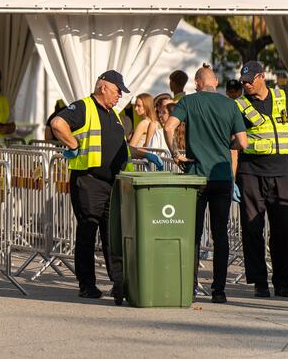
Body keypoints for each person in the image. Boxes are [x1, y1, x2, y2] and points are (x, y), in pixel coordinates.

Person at [50, 70, 161, 304]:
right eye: (117, 90)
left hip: (112, 183)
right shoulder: (84, 107)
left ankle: (119, 283)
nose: (120, 95)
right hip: (89, 181)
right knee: (88, 233)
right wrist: (72, 143)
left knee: (114, 235)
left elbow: (121, 147)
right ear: (103, 87)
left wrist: (145, 154)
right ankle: (87, 285)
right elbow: (57, 123)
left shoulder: (115, 115)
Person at [164, 66, 247, 303]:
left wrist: (175, 153)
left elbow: (168, 127)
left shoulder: (189, 102)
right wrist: (227, 145)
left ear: (198, 83)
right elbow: (243, 141)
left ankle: (189, 286)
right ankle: (219, 290)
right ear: (215, 82)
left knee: (193, 233)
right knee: (221, 234)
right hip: (221, 176)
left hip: (196, 176)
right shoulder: (230, 105)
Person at [233, 61, 288, 298]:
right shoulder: (239, 105)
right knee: (252, 229)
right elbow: (233, 146)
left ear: (261, 77)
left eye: (249, 80)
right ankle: (259, 283)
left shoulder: (283, 98)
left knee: (282, 231)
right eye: (243, 82)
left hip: (281, 174)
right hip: (250, 174)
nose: (246, 85)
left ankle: (282, 283)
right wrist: (232, 178)